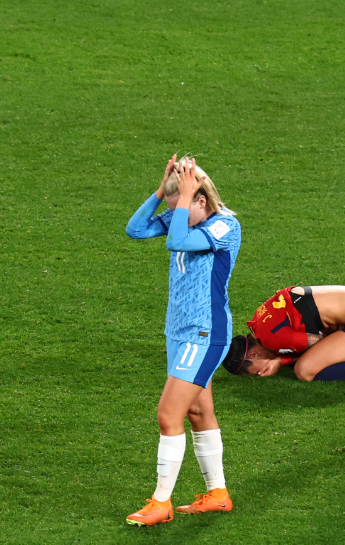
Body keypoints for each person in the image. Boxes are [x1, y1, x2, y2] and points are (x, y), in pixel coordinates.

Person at [122, 157, 241, 526]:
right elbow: (136, 230)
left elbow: (176, 240)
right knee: (198, 412)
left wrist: (186, 195)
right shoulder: (186, 216)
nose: (174, 215)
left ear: (201, 200)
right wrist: (163, 192)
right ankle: (218, 494)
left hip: (205, 334)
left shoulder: (225, 225)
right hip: (179, 333)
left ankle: (161, 503)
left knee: (167, 414)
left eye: (183, 207)